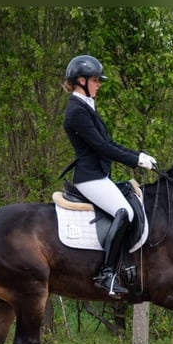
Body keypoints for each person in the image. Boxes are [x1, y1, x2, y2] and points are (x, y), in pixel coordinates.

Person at [62, 54, 157, 297]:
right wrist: (136, 160)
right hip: (89, 178)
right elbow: (102, 147)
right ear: (80, 81)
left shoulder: (85, 107)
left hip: (98, 175)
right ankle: (106, 274)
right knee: (124, 212)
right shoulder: (77, 111)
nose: (99, 84)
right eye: (95, 80)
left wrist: (139, 154)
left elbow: (108, 142)